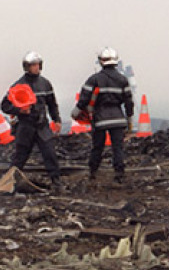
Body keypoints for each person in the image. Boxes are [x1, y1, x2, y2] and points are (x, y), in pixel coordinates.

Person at [1, 53, 62, 190]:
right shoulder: (18, 85)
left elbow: (52, 104)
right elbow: (4, 105)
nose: (36, 68)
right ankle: (8, 183)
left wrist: (56, 119)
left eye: (37, 64)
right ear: (26, 67)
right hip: (25, 126)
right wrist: (19, 111)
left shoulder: (45, 84)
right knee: (20, 156)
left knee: (50, 153)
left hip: (42, 126)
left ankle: (56, 182)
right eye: (33, 65)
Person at [76, 48, 134, 183]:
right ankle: (119, 174)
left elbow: (84, 98)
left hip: (100, 119)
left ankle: (93, 173)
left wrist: (77, 111)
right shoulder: (123, 79)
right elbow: (129, 102)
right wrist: (129, 119)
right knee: (117, 147)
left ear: (101, 61)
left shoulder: (94, 79)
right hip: (118, 119)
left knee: (98, 146)